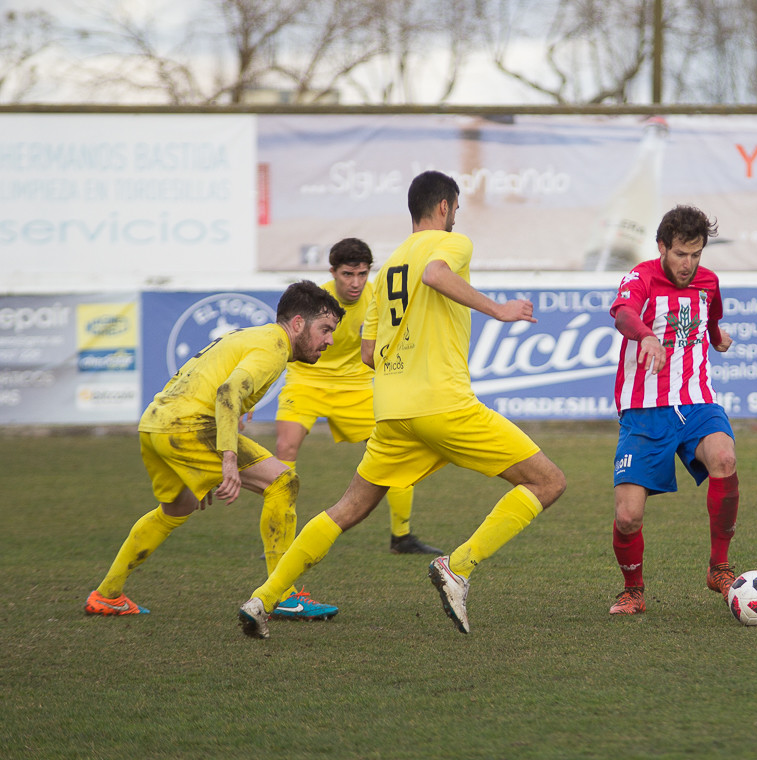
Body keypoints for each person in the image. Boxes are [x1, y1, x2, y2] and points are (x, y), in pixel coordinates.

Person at [237, 170, 566, 638]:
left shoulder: (388, 267)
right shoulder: (452, 245)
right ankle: (459, 566)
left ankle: (262, 599)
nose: (456, 218)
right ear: (445, 208)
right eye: (456, 210)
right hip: (444, 404)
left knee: (347, 508)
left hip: (392, 411)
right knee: (549, 481)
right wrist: (499, 309)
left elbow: (369, 353)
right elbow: (435, 274)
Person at [85, 280, 345, 619]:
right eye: (325, 329)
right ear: (298, 323)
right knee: (283, 482)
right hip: (189, 426)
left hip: (154, 424)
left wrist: (203, 464)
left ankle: (107, 594)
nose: (330, 340)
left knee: (177, 507)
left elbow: (214, 384)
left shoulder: (252, 336)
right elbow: (227, 392)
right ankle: (282, 594)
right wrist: (228, 459)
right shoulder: (273, 348)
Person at [605, 204, 740, 616]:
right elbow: (624, 314)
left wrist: (717, 338)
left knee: (724, 457)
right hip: (645, 411)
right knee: (628, 517)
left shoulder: (708, 283)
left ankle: (719, 567)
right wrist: (645, 336)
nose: (688, 263)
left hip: (697, 401)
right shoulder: (641, 277)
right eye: (680, 253)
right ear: (662, 246)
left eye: (696, 254)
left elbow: (711, 318)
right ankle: (633, 591)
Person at [275, 237, 441, 556]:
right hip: (307, 379)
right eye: (347, 274)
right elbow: (282, 343)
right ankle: (279, 537)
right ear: (333, 272)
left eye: (362, 274)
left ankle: (401, 537)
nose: (355, 282)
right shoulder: (313, 300)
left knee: (394, 448)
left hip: (357, 384)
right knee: (285, 447)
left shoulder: (379, 298)